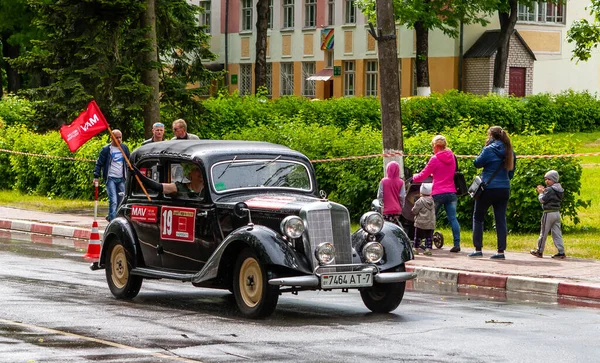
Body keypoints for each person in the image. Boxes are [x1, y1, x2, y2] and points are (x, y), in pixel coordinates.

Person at [468, 126, 516, 260]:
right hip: (504, 188)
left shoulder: (488, 149)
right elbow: (511, 172)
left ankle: (478, 249)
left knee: (478, 217)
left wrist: (486, 147)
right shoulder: (510, 151)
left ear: (491, 136)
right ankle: (501, 251)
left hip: (488, 188)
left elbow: (477, 163)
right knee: (501, 220)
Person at [412, 135, 461, 252]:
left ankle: (427, 243)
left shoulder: (435, 159)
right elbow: (450, 171)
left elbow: (423, 175)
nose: (433, 149)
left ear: (436, 146)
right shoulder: (452, 157)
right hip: (451, 192)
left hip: (438, 193)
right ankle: (457, 244)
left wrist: (414, 177)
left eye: (433, 146)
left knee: (431, 219)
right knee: (453, 219)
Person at [93, 130, 130, 222]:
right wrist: (96, 176)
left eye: (120, 137)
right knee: (113, 200)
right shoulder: (106, 149)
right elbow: (99, 163)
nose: (118, 139)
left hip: (122, 178)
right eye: (116, 137)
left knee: (121, 200)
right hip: (110, 178)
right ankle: (113, 221)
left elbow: (129, 161)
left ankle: (115, 217)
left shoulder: (124, 148)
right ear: (111, 138)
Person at [530, 170, 566, 259]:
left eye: (548, 179)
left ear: (553, 179)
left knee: (543, 233)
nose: (546, 181)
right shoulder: (560, 189)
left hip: (548, 213)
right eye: (545, 179)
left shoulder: (550, 189)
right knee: (557, 233)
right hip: (557, 213)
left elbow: (542, 200)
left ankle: (539, 251)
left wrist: (541, 193)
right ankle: (561, 252)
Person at [134, 164, 204, 199]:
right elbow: (157, 187)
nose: (201, 173)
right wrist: (139, 174)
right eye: (197, 170)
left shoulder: (210, 188)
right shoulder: (179, 187)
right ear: (189, 173)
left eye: (202, 170)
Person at [412, 183, 435, 256]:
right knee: (429, 236)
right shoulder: (432, 201)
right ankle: (428, 249)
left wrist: (413, 211)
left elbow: (415, 210)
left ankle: (415, 248)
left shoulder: (420, 201)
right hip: (430, 222)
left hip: (420, 222)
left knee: (417, 236)